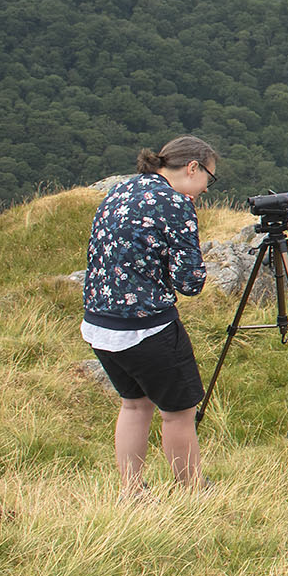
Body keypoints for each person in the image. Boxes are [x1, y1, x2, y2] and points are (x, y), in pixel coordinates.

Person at [83, 135, 217, 496]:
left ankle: (132, 492)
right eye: (209, 178)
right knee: (177, 412)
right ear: (193, 168)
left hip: (99, 325)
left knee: (134, 404)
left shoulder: (121, 190)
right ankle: (192, 492)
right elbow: (189, 283)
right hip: (147, 328)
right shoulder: (176, 203)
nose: (205, 188)